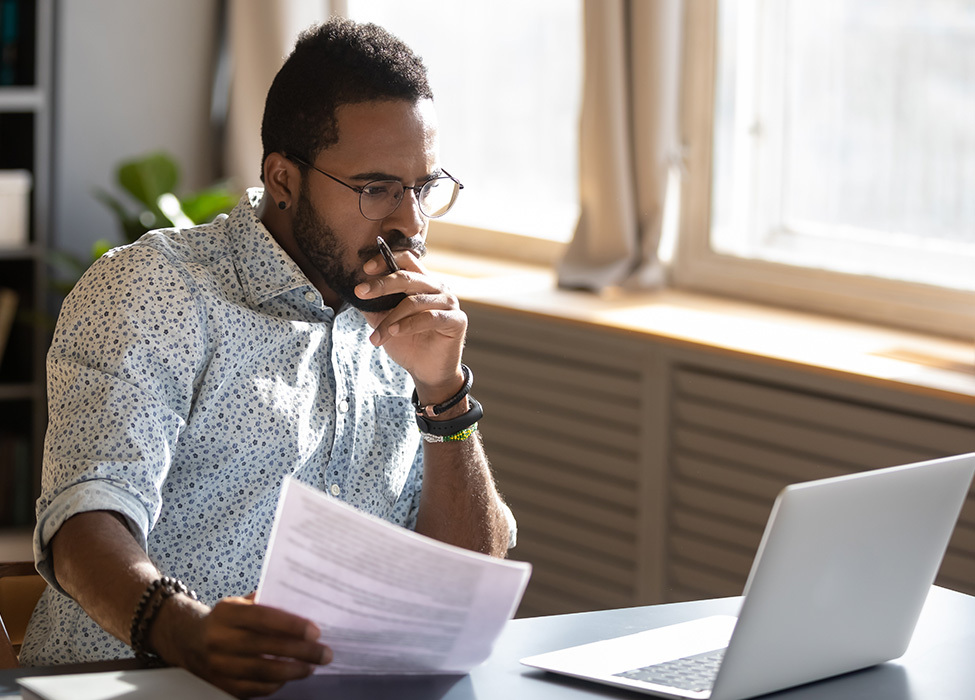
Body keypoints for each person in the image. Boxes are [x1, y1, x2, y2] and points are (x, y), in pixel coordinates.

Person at [20, 18, 515, 698]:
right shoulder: (157, 290)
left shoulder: (404, 324)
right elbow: (85, 517)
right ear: (283, 178)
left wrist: (443, 394)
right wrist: (183, 630)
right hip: (130, 685)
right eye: (376, 189)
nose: (410, 224)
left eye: (421, 188)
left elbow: (462, 588)